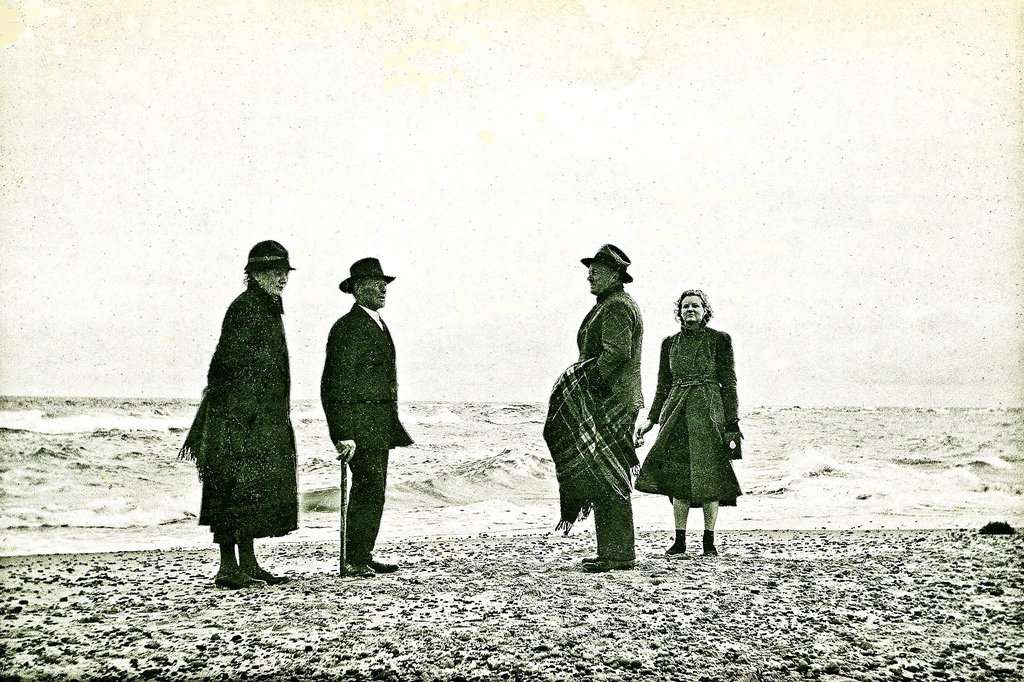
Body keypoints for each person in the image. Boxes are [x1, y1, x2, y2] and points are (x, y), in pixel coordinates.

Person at [179, 240, 299, 589]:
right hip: (237, 417)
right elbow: (223, 365)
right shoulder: (246, 308)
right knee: (231, 491)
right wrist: (240, 416)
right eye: (273, 273)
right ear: (255, 275)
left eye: (283, 273)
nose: (281, 279)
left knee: (249, 492)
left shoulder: (267, 307)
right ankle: (228, 567)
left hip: (257, 417)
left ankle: (248, 562)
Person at [543, 244, 644, 573]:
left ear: (614, 274)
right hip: (612, 400)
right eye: (589, 269)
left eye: (596, 270)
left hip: (611, 401)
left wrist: (586, 388)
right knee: (605, 473)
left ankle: (618, 554)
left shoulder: (616, 306)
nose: (590, 275)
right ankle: (613, 551)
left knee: (609, 475)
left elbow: (616, 353)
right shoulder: (611, 304)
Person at [321, 257, 413, 577]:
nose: (382, 289)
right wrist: (342, 433)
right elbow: (333, 385)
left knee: (375, 489)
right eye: (375, 284)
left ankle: (362, 553)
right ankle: (355, 558)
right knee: (367, 488)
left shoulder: (378, 323)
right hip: (359, 428)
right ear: (357, 289)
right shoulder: (347, 327)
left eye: (383, 283)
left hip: (379, 426)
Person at [634, 289, 742, 557]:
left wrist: (732, 421)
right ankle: (679, 540)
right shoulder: (669, 344)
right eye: (685, 307)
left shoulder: (719, 340)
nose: (690, 310)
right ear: (679, 312)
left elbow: (728, 383)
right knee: (677, 478)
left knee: (711, 478)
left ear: (705, 311)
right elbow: (663, 386)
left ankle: (709, 541)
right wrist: (650, 420)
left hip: (709, 412)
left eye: (695, 306)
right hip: (676, 413)